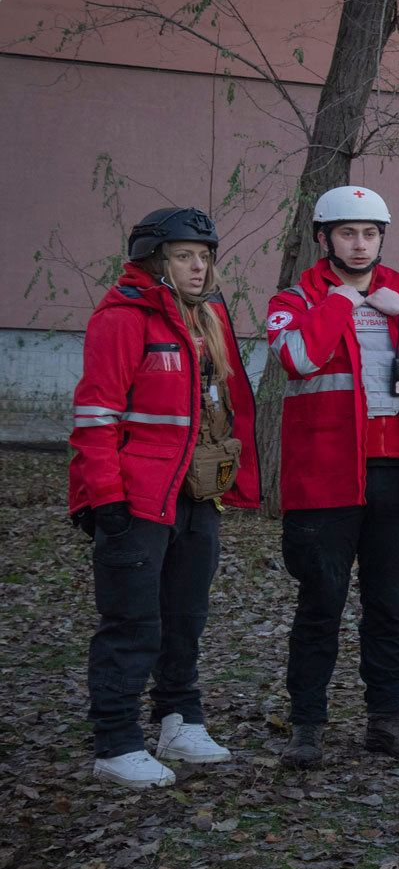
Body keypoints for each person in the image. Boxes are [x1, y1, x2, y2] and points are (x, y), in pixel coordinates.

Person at [266, 185, 399, 770]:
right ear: (324, 238)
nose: (360, 245)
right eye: (348, 234)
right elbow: (297, 359)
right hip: (326, 479)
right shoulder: (295, 299)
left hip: (398, 477)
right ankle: (307, 728)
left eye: (371, 234)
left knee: (388, 607)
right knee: (320, 604)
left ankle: (386, 722)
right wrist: (344, 301)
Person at [69, 207, 262, 788]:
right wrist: (104, 498)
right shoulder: (123, 319)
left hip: (196, 496)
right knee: (132, 621)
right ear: (154, 260)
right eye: (184, 256)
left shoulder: (204, 322)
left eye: (204, 256)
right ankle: (116, 742)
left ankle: (179, 718)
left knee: (185, 615)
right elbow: (95, 415)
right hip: (134, 498)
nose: (198, 267)